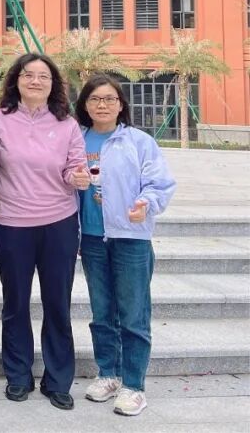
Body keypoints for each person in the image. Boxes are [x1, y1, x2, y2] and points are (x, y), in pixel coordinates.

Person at [0, 53, 89, 410]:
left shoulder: (67, 123)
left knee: (57, 303)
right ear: (16, 80)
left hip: (59, 223)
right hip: (12, 223)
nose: (36, 81)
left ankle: (58, 380)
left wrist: (77, 177)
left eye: (44, 76)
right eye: (28, 75)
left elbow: (75, 167)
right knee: (15, 303)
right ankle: (18, 376)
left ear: (53, 84)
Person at [75, 75, 176, 417]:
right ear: (85, 105)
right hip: (91, 238)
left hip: (131, 238)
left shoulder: (139, 141)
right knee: (102, 313)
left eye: (109, 99)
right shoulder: (77, 139)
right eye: (94, 99)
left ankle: (134, 385)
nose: (102, 105)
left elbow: (159, 183)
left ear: (121, 104)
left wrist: (146, 203)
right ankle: (108, 374)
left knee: (133, 315)